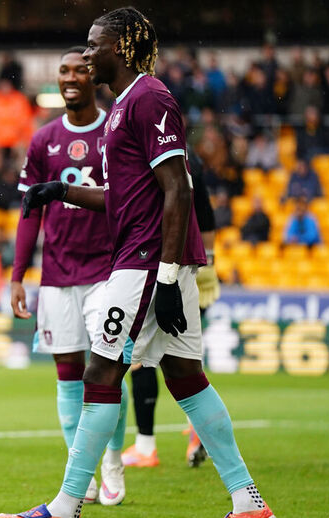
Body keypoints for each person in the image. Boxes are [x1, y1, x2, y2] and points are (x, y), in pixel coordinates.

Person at [0, 7, 273, 518]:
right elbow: (127, 197)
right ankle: (247, 501)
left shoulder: (150, 98)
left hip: (146, 262)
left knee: (100, 373)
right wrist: (63, 190)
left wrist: (167, 277)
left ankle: (65, 505)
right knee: (187, 378)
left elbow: (178, 189)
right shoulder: (127, 104)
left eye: (93, 44)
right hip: (148, 259)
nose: (85, 54)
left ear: (122, 47)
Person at [9, 47, 127, 506]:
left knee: (107, 370)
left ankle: (113, 457)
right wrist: (19, 274)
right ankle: (83, 471)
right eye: (64, 70)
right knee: (66, 373)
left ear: (93, 76)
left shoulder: (115, 131)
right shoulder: (43, 140)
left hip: (107, 269)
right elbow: (29, 212)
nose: (71, 76)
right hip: (57, 273)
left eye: (80, 69)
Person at [121, 147, 220, 470]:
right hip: (194, 266)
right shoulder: (191, 160)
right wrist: (210, 263)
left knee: (141, 361)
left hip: (154, 263)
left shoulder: (142, 156)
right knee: (185, 363)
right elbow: (205, 212)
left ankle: (146, 446)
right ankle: (198, 429)